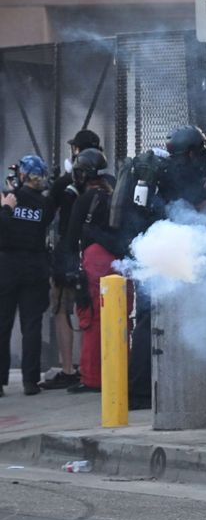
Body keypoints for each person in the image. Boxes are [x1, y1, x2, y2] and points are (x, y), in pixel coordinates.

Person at [115, 125, 206, 409]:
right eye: (200, 153)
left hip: (145, 248)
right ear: (191, 153)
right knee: (150, 319)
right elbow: (190, 214)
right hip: (161, 252)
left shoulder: (159, 173)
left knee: (148, 318)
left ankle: (144, 387)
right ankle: (140, 390)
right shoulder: (181, 174)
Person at [42, 129, 103, 390]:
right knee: (95, 314)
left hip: (69, 255)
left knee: (62, 312)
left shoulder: (66, 184)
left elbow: (46, 214)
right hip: (96, 254)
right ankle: (94, 367)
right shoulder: (108, 184)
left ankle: (69, 368)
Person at [64, 148, 119, 395]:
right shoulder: (114, 193)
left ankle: (92, 377)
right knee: (117, 317)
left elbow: (71, 235)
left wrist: (65, 266)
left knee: (92, 319)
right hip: (117, 260)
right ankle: (116, 370)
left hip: (94, 259)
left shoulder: (85, 199)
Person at [0, 155, 55, 396]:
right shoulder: (44, 205)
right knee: (31, 325)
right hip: (35, 266)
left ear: (22, 175)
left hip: (8, 265)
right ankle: (30, 381)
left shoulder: (8, 199)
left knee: (3, 324)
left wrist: (8, 202)